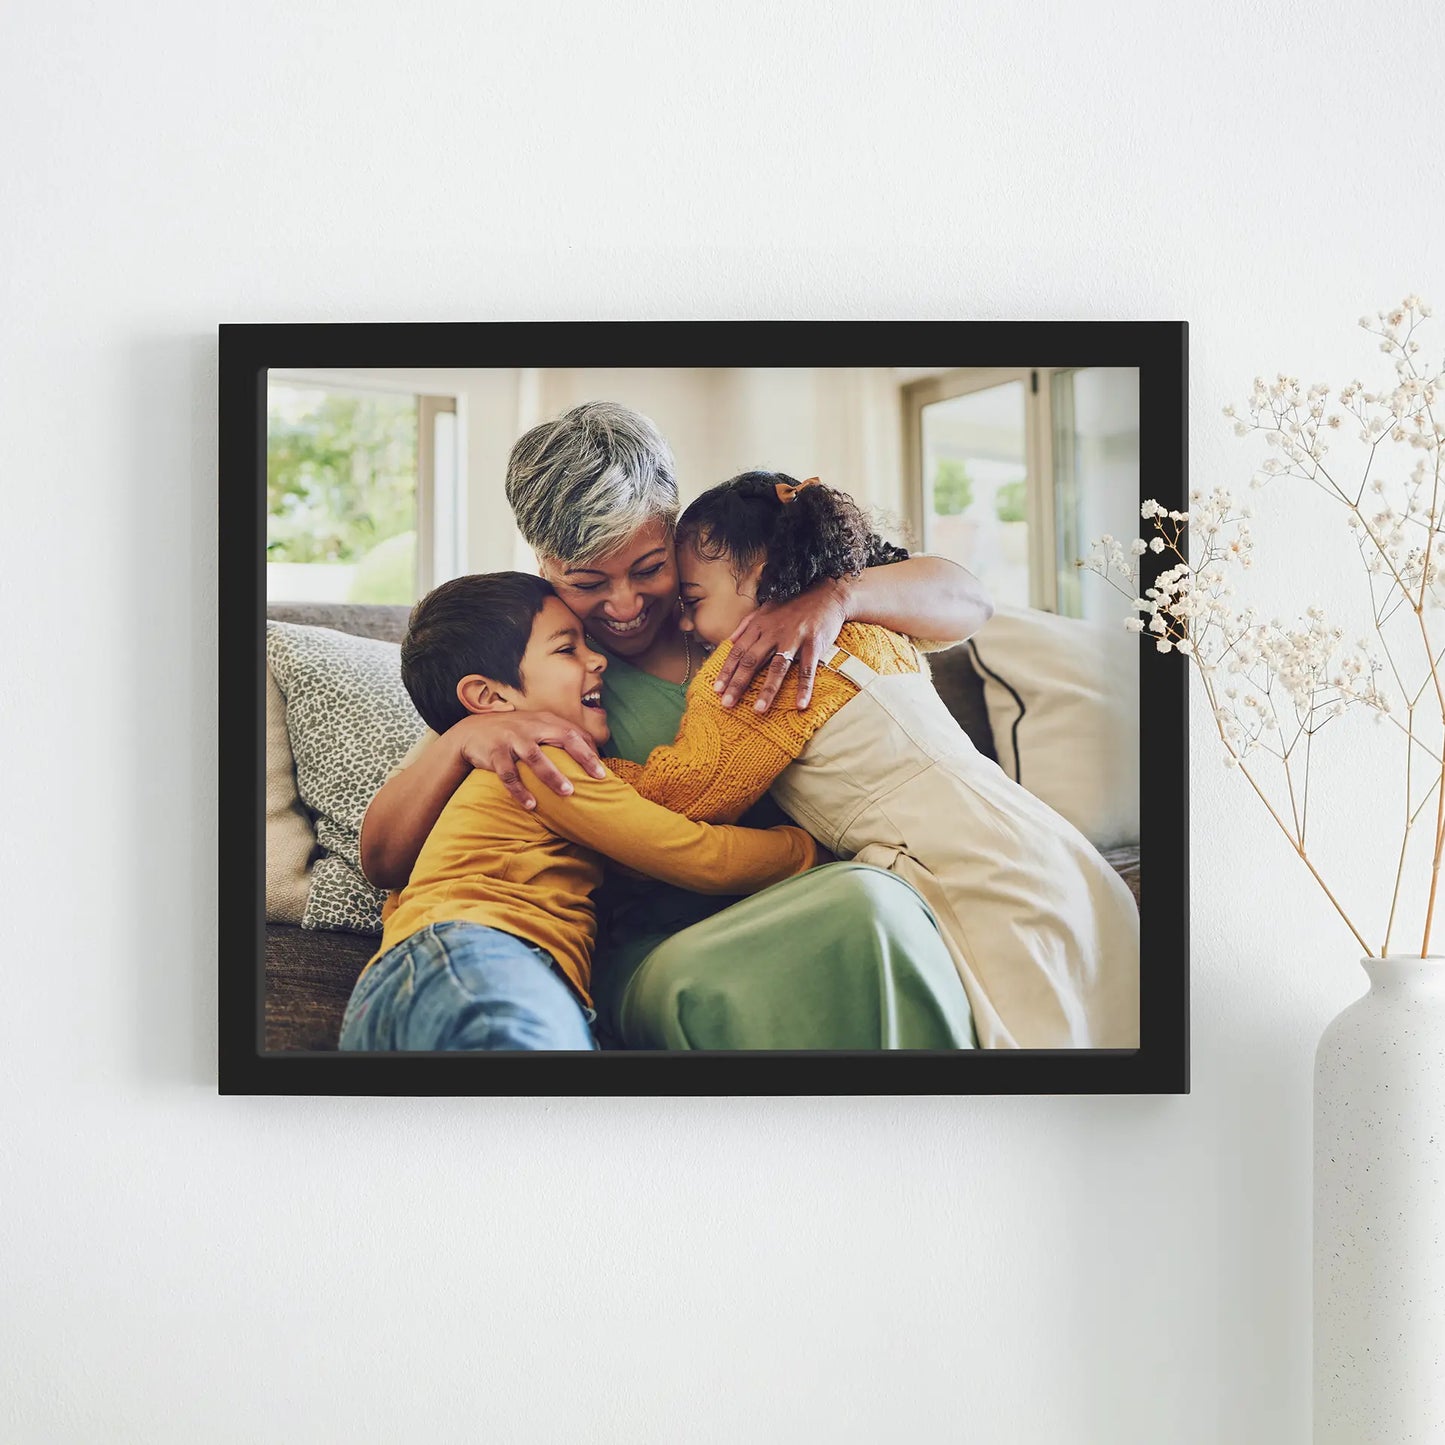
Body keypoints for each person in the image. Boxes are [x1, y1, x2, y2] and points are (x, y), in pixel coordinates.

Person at [361, 401, 989, 1049]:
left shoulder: (751, 595)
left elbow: (969, 601)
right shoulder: (537, 670)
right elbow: (383, 857)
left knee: (887, 907)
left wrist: (836, 598)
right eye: (586, 581)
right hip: (660, 948)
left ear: (675, 532)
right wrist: (460, 740)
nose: (625, 606)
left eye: (649, 568)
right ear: (544, 565)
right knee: (868, 906)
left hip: (804, 893)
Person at [609, 471, 1141, 1048]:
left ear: (761, 581)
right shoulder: (877, 625)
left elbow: (684, 795)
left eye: (693, 601)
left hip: (962, 874)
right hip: (1051, 849)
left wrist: (559, 765)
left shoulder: (761, 664)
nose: (684, 623)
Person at [339, 571, 819, 1052]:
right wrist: (809, 850)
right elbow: (699, 854)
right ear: (489, 698)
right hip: (478, 958)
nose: (597, 659)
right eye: (567, 649)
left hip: (413, 984)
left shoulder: (479, 766)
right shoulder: (537, 759)